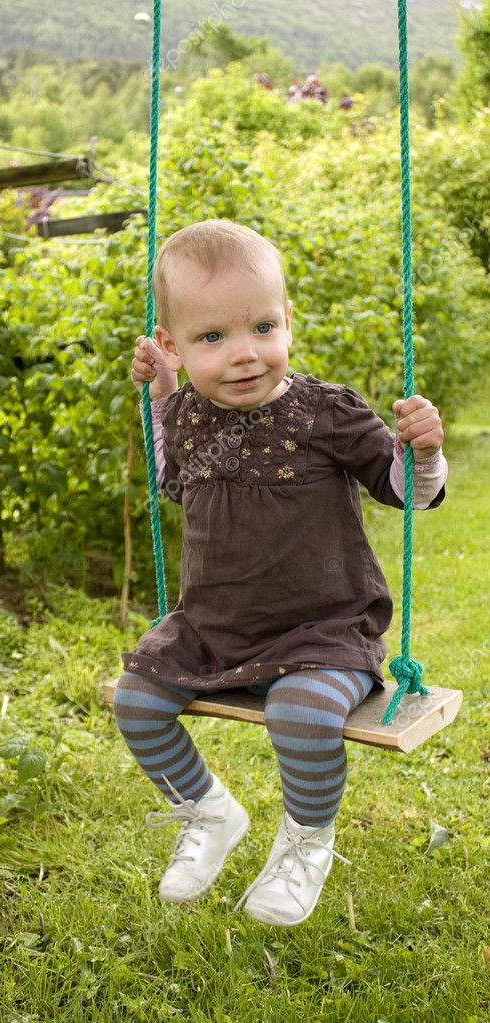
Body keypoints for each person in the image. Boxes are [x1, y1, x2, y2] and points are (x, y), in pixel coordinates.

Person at [114, 219, 447, 927]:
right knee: (134, 701)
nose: (242, 354)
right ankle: (207, 811)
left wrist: (421, 452)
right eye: (211, 338)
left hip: (321, 632)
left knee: (300, 713)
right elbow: (170, 476)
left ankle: (305, 840)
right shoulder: (190, 414)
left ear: (287, 320)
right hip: (212, 630)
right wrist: (162, 388)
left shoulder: (326, 411)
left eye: (262, 326)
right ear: (172, 344)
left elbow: (405, 494)